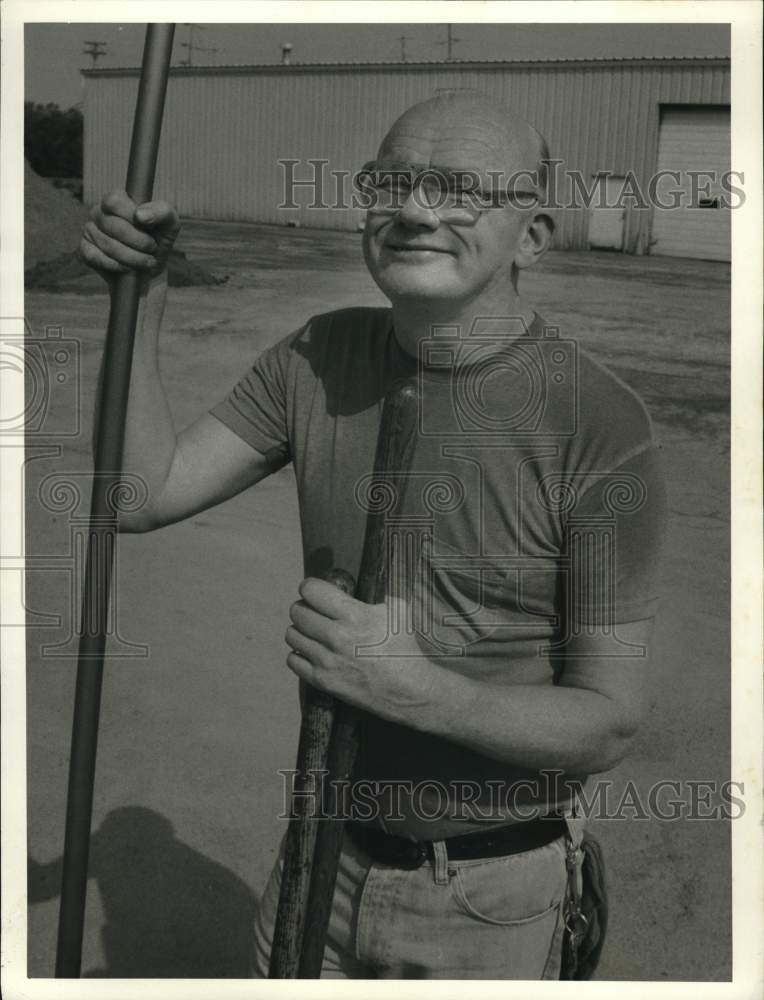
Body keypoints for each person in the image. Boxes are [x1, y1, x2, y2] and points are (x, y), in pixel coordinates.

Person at [80, 91, 666, 979]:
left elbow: (607, 724)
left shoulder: (599, 425)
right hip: (319, 848)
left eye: (458, 188)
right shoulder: (319, 356)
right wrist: (145, 298)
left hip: (486, 897)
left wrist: (417, 690)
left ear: (534, 235)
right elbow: (137, 495)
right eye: (390, 182)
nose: (414, 210)